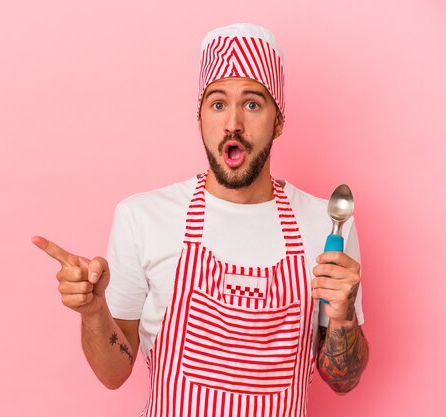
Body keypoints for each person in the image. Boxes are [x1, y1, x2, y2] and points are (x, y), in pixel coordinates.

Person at [33, 23, 369, 416]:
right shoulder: (143, 218)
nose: (233, 124)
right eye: (218, 103)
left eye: (252, 103)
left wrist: (343, 318)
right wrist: (94, 313)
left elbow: (342, 381)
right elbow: (113, 374)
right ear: (201, 119)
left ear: (278, 121)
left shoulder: (326, 225)